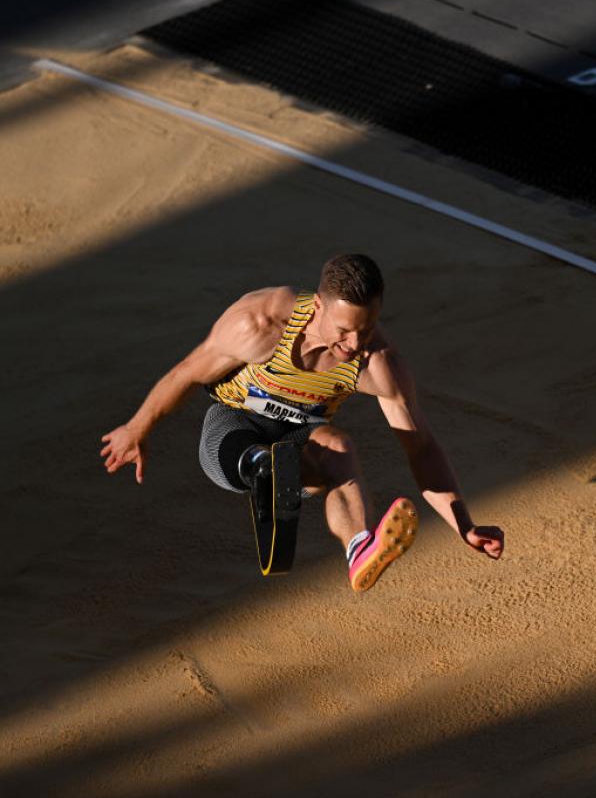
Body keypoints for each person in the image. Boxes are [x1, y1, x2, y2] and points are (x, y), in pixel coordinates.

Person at [100, 253, 503, 591]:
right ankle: (265, 472)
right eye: (345, 331)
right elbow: (187, 372)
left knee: (338, 447)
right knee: (257, 450)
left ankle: (359, 547)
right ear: (317, 307)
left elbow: (421, 447)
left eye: (368, 329)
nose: (355, 345)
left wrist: (463, 523)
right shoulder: (259, 324)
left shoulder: (379, 363)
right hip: (232, 428)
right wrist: (136, 430)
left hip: (298, 440)